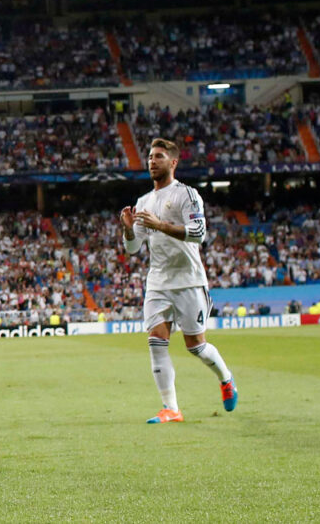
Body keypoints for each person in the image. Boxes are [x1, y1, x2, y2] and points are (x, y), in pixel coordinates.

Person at [120, 137, 237, 424]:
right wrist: (129, 232)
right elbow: (133, 249)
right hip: (158, 282)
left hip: (188, 280)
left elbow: (199, 233)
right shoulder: (143, 201)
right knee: (156, 341)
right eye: (149, 156)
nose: (152, 161)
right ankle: (171, 408)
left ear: (173, 162)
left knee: (195, 346)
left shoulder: (187, 195)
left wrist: (160, 225)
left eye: (158, 156)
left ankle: (226, 378)